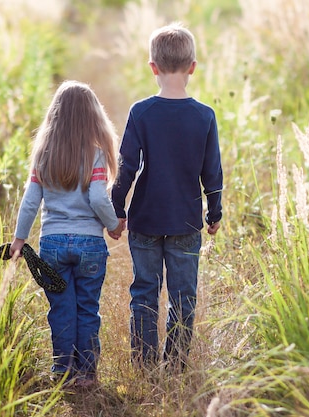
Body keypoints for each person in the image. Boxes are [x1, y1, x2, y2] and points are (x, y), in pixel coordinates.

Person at [111, 22, 223, 372]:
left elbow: (126, 166)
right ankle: (174, 365)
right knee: (183, 296)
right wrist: (214, 212)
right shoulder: (204, 116)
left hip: (144, 218)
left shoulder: (141, 112)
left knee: (144, 292)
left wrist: (116, 209)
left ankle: (143, 365)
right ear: (192, 66)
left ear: (153, 67)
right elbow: (212, 172)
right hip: (186, 220)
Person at [9, 80, 125, 387]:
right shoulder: (96, 155)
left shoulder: (43, 155)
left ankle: (62, 371)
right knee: (87, 308)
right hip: (89, 243)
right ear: (92, 117)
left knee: (60, 309)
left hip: (53, 245)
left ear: (54, 115)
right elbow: (99, 198)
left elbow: (31, 201)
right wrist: (113, 225)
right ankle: (86, 374)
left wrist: (19, 239)